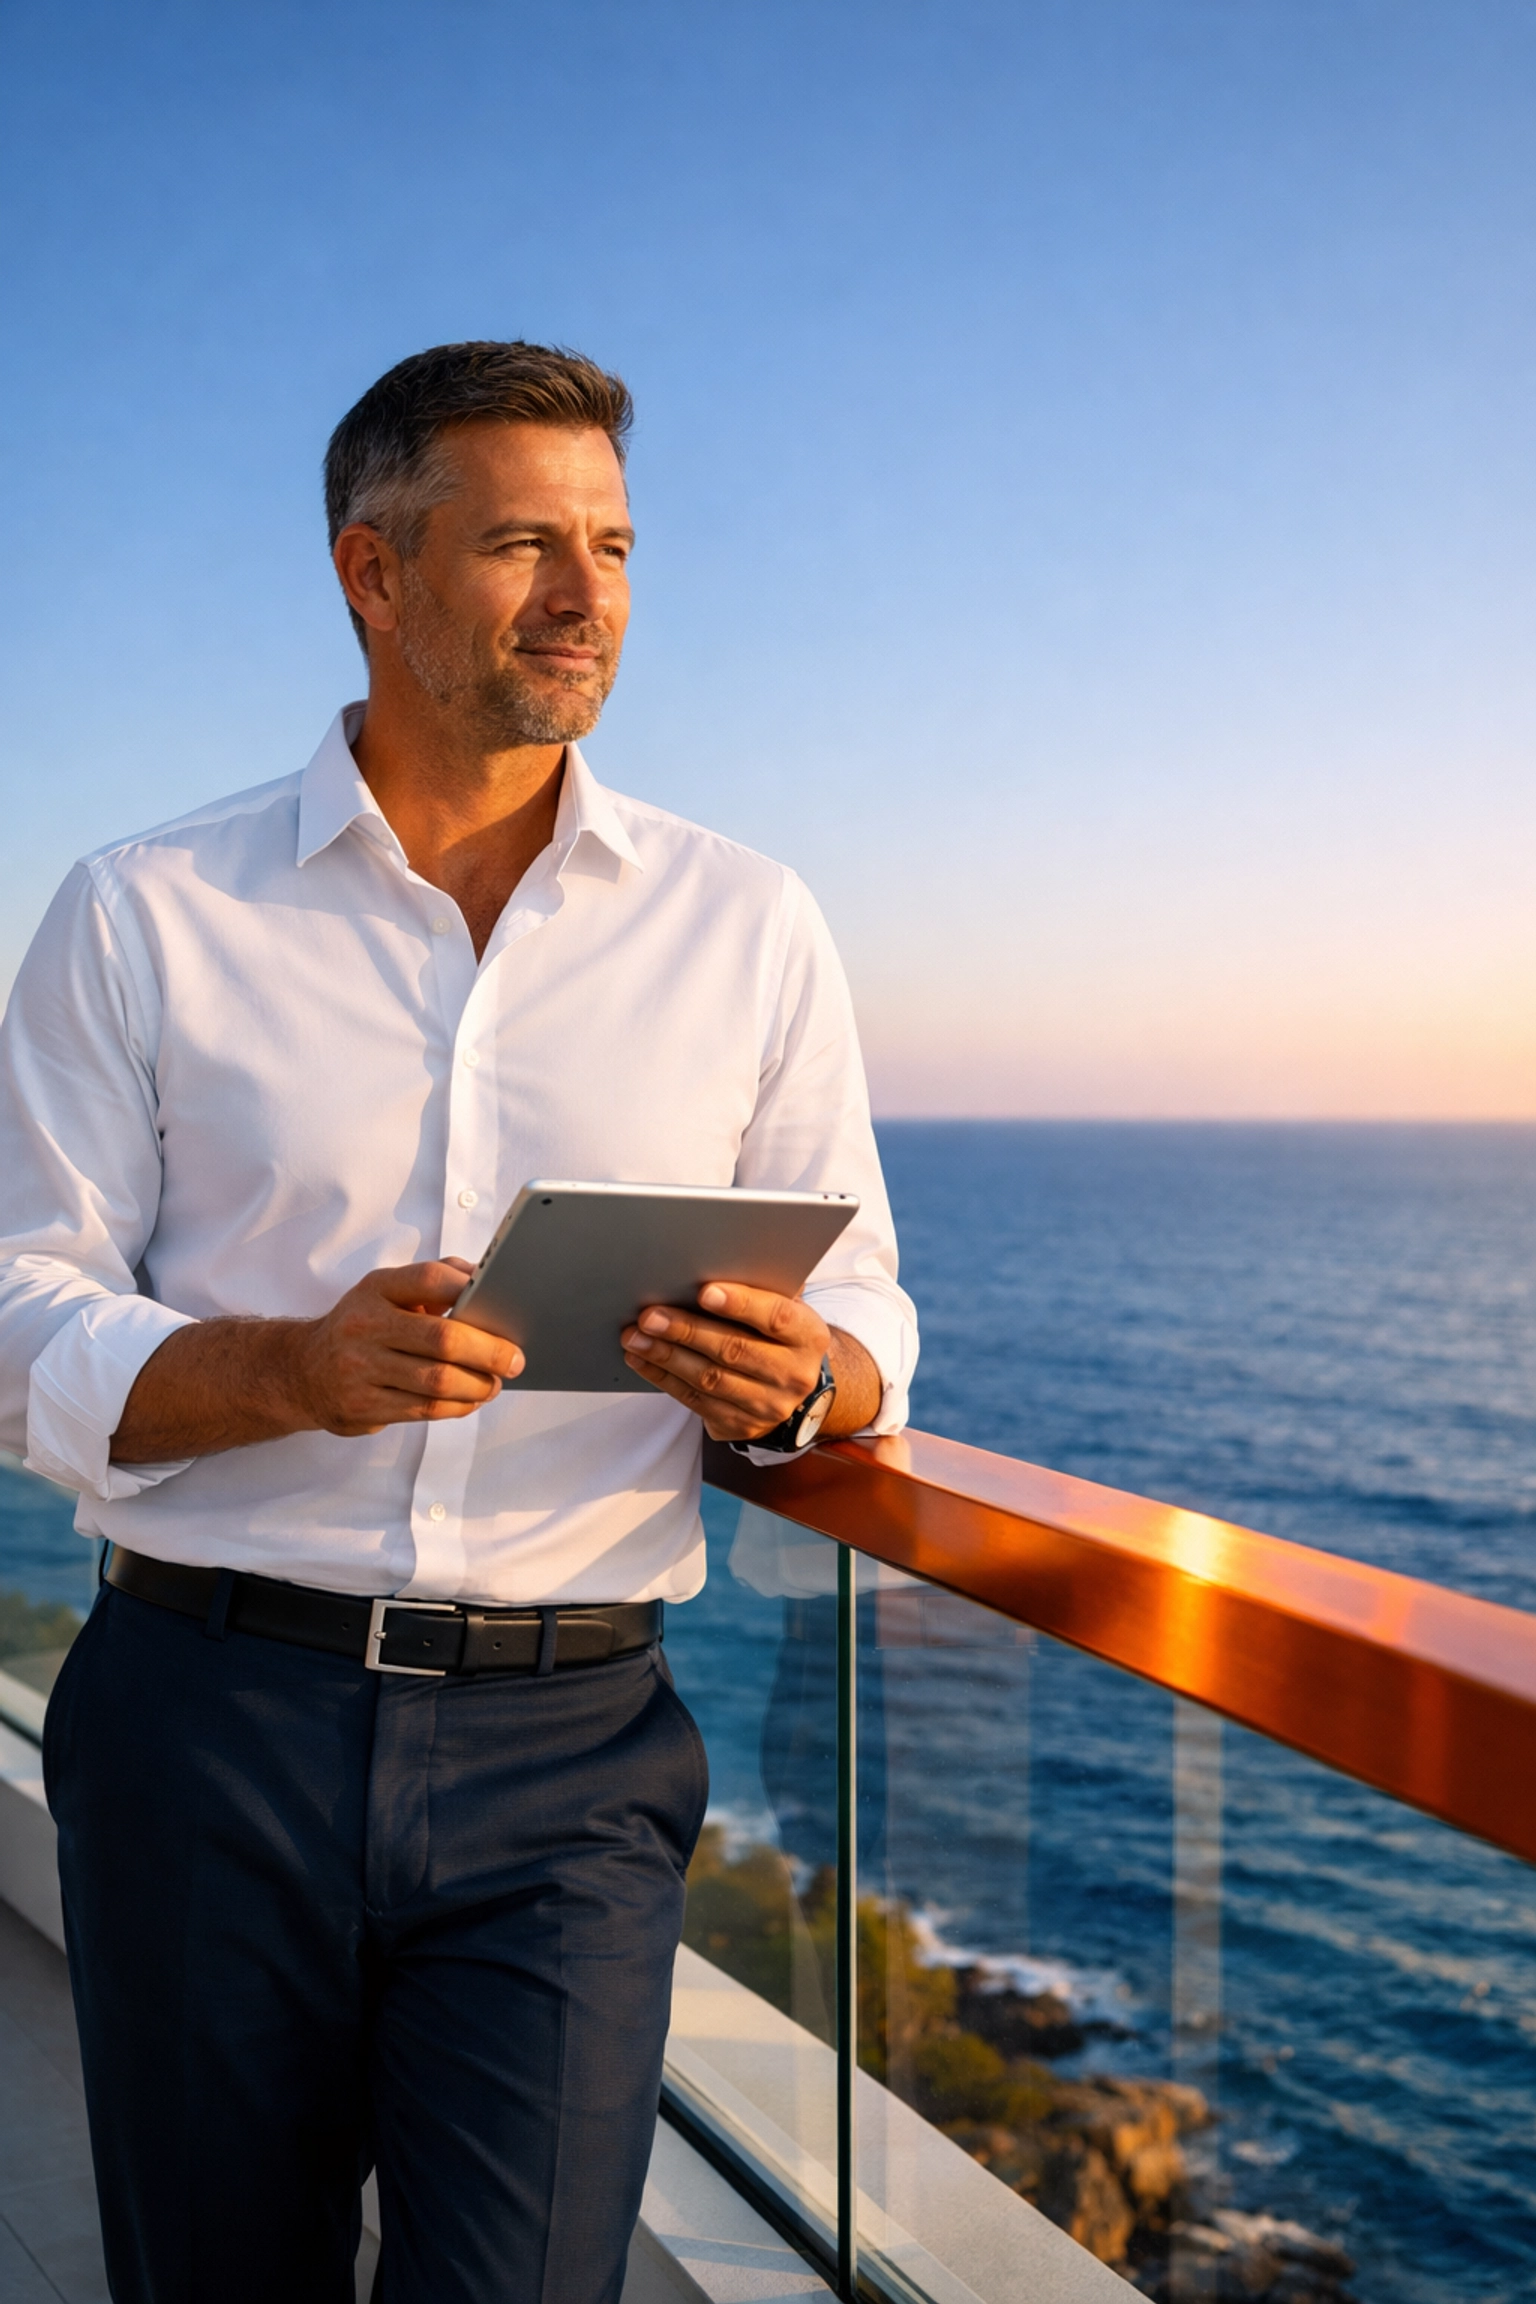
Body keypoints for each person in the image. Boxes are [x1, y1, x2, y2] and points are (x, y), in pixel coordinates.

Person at [0, 340, 917, 2304]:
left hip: (572, 1760)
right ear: (375, 569)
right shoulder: (138, 908)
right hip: (205, 1727)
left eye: (613, 544)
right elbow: (19, 1314)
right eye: (523, 543)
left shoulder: (746, 922)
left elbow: (862, 1313)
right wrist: (291, 1370)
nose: (589, 599)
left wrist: (805, 1380)